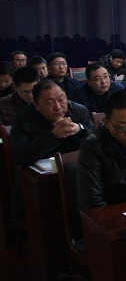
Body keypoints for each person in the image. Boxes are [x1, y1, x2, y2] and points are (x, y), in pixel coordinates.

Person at [10, 80, 93, 218]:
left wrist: (80, 129)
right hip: (40, 185)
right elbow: (21, 157)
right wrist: (53, 136)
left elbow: (98, 142)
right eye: (49, 102)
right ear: (36, 105)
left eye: (61, 99)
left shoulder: (79, 111)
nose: (58, 107)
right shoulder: (22, 119)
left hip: (79, 177)